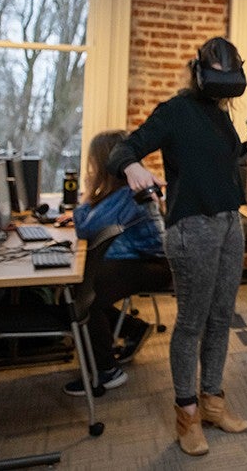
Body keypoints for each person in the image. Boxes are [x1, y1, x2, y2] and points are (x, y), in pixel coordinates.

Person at [110, 37, 247, 456]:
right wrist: (133, 166)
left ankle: (213, 403)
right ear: (198, 72)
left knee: (221, 318)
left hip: (229, 223)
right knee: (192, 323)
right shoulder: (175, 112)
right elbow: (121, 150)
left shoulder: (219, 114)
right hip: (191, 228)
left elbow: (228, 157)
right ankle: (187, 414)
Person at [59, 129, 172, 395]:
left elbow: (86, 227)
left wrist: (87, 192)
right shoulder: (119, 192)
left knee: (87, 293)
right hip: (136, 261)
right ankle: (134, 329)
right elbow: (90, 221)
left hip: (155, 266)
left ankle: (106, 371)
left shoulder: (129, 194)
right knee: (82, 287)